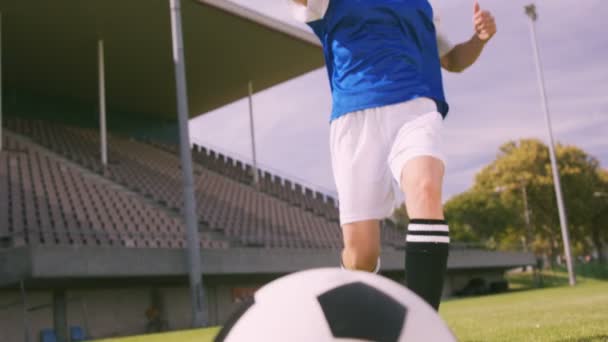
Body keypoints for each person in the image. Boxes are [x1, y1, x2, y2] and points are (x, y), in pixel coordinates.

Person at [288, 0, 496, 310]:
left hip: (417, 108)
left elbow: (452, 59)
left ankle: (421, 327)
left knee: (425, 190)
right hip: (355, 118)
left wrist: (479, 39)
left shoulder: (423, 7)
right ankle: (354, 316)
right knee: (362, 255)